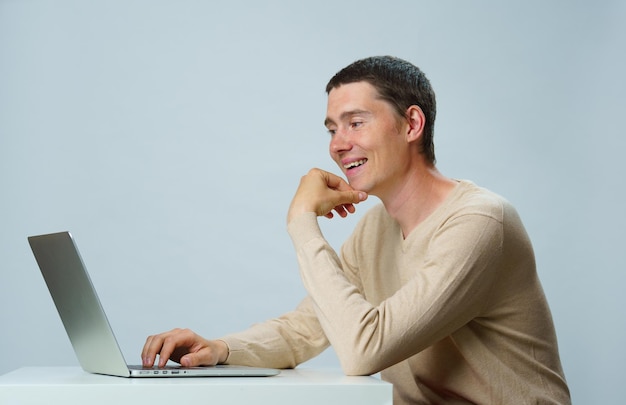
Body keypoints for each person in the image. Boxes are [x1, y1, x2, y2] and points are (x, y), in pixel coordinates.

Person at [141, 56, 571, 404]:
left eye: (355, 122)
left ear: (411, 125)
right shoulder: (376, 230)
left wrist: (301, 221)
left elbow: (364, 347)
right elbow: (306, 329)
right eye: (332, 129)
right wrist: (217, 349)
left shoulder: (479, 223)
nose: (337, 144)